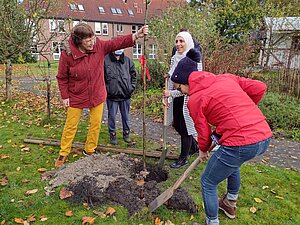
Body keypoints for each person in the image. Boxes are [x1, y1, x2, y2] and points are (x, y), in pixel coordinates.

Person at [170, 48, 272, 225]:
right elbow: (259, 87)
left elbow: (203, 133)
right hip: (263, 136)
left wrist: (202, 151)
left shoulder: (195, 99)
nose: (182, 92)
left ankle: (212, 222)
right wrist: (243, 111)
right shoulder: (226, 78)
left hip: (241, 142)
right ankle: (229, 203)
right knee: (232, 163)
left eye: (180, 87)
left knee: (208, 182)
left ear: (187, 82)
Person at [55, 23, 148, 167]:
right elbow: (62, 77)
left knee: (96, 124)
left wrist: (135, 35)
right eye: (88, 41)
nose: (92, 43)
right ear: (79, 41)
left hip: (97, 93)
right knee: (71, 125)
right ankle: (64, 152)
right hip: (76, 94)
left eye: (93, 39)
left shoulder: (98, 46)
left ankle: (89, 150)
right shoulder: (67, 55)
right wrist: (65, 96)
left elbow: (115, 43)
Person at [164, 31, 200, 169]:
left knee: (185, 128)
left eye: (181, 41)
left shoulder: (194, 60)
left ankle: (183, 158)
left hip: (187, 98)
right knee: (177, 125)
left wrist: (171, 93)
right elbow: (172, 74)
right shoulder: (175, 58)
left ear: (188, 42)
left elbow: (190, 87)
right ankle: (193, 147)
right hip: (175, 97)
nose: (178, 44)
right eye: (177, 41)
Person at [104, 49, 137, 145]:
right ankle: (112, 134)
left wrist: (131, 88)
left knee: (126, 116)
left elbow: (133, 75)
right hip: (111, 95)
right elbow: (101, 77)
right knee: (112, 116)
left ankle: (126, 133)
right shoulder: (105, 60)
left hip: (125, 94)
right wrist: (106, 90)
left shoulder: (128, 61)